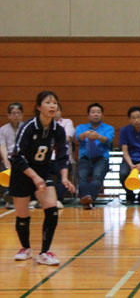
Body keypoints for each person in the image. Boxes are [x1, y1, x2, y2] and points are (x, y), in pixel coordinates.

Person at [10, 91, 75, 265]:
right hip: (22, 172)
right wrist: (34, 177)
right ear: (39, 107)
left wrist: (64, 178)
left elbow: (62, 156)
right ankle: (25, 248)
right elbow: (17, 156)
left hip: (43, 171)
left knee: (52, 209)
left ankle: (45, 252)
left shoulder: (58, 130)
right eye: (48, 102)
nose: (52, 106)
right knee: (22, 215)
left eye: (55, 103)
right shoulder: (29, 127)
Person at [76, 103, 115, 210]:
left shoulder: (109, 128)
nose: (96, 114)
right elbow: (78, 138)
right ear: (88, 115)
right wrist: (86, 134)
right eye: (93, 112)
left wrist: (97, 136)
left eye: (98, 112)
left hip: (101, 158)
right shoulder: (81, 127)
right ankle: (87, 199)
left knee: (97, 176)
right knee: (82, 176)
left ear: (102, 115)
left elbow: (108, 140)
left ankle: (88, 199)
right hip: (85, 158)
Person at [0, 102, 24, 209]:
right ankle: (8, 195)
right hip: (9, 157)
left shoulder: (26, 127)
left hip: (22, 157)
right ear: (8, 115)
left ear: (22, 115)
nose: (16, 115)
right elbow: (2, 146)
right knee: (4, 167)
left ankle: (23, 196)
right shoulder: (3, 130)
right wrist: (6, 160)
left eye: (18, 113)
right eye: (13, 113)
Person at [51, 105, 75, 207]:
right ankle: (35, 199)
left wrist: (51, 141)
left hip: (62, 158)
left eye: (57, 110)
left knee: (62, 175)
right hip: (47, 159)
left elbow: (67, 138)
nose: (55, 112)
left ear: (61, 112)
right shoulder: (45, 124)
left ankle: (58, 199)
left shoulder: (67, 122)